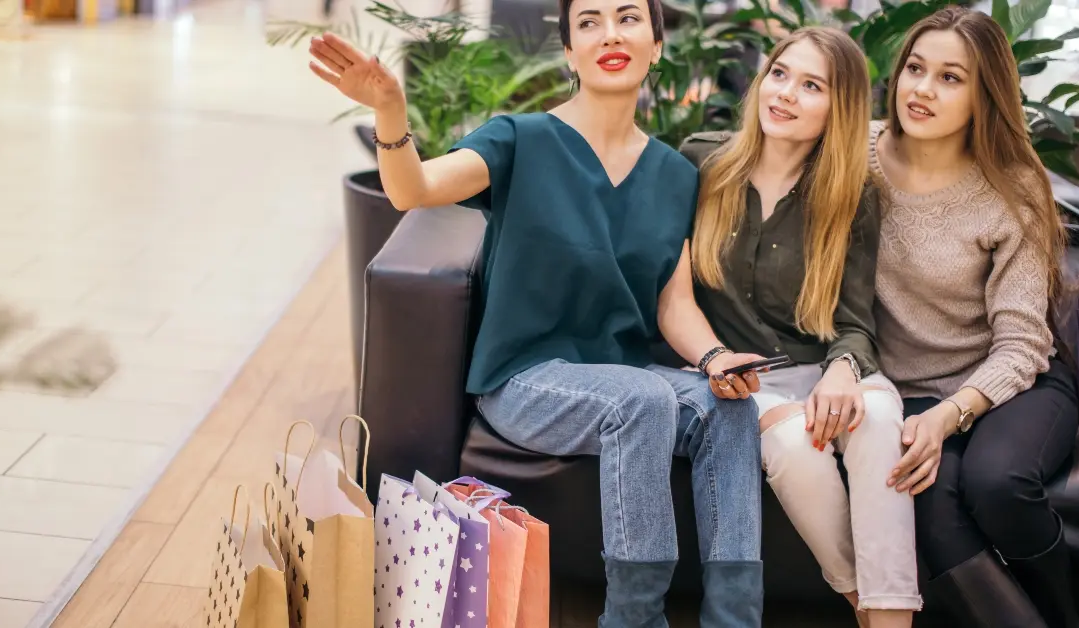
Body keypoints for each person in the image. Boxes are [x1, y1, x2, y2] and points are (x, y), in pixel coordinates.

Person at [309, 0, 766, 624]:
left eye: (629, 18)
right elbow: (411, 190)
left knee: (729, 409)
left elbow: (672, 299)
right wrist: (390, 111)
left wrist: (716, 360)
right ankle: (633, 617)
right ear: (571, 52)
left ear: (656, 46)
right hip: (526, 379)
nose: (610, 33)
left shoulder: (674, 174)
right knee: (645, 401)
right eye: (589, 22)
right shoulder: (520, 139)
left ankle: (734, 618)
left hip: (623, 384)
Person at [676, 27, 921, 628]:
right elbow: (671, 295)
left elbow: (854, 322)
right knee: (792, 446)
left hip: (822, 367)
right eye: (780, 73)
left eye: (811, 85)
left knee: (880, 420)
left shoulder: (851, 193)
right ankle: (862, 604)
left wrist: (842, 369)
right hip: (735, 377)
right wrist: (713, 359)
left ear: (839, 109)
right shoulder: (699, 163)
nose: (784, 93)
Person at [869, 7, 1079, 627]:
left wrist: (951, 413)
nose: (922, 89)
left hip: (1014, 382)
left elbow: (1021, 344)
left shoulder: (1012, 190)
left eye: (950, 78)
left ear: (984, 95)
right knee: (928, 502)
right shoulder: (856, 157)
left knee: (997, 482)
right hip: (904, 391)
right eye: (915, 68)